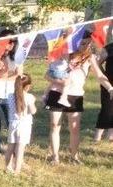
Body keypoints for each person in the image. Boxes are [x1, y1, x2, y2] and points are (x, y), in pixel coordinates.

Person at [44, 35, 113, 164]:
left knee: (74, 127)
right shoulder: (63, 54)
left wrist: (110, 88)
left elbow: (99, 75)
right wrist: (60, 82)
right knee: (54, 125)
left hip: (76, 95)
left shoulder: (89, 57)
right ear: (74, 43)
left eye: (88, 43)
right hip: (56, 93)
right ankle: (55, 157)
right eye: (82, 43)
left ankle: (74, 157)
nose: (85, 46)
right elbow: (47, 75)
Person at [0, 29, 22, 164]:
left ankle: (14, 155)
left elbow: (19, 75)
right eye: (8, 41)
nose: (11, 44)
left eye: (13, 41)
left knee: (12, 125)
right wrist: (0, 73)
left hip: (10, 95)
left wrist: (4, 76)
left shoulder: (18, 57)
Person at [5, 74, 36, 175]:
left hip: (13, 123)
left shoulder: (10, 96)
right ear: (28, 86)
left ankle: (7, 166)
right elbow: (33, 111)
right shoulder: (29, 97)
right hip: (24, 125)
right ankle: (17, 170)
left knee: (10, 147)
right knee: (20, 148)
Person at [95, 28, 113, 142]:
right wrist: (103, 75)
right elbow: (97, 63)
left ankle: (110, 136)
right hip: (109, 83)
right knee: (107, 109)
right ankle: (97, 137)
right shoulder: (109, 48)